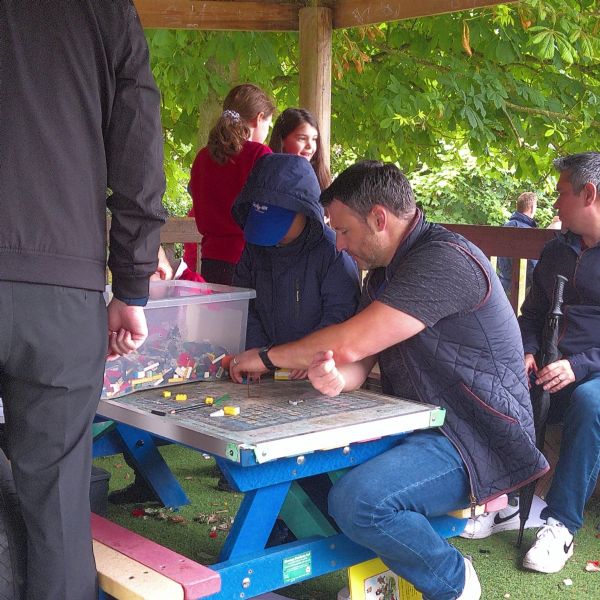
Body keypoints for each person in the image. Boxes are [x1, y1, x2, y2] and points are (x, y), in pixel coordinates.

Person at [230, 161, 548, 600]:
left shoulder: (444, 260)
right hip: (422, 426)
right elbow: (358, 361)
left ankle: (455, 582)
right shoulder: (383, 273)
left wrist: (265, 357)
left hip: (477, 439)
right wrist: (335, 377)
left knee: (360, 502)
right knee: (309, 460)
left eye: (344, 230)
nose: (339, 244)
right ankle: (382, 575)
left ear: (379, 218)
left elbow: (351, 341)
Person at [0, 3, 166, 599]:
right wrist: (132, 286)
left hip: (63, 280)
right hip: (61, 291)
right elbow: (139, 142)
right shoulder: (103, 7)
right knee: (59, 507)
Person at [465, 152, 600, 574]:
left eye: (562, 193)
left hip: (592, 373)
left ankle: (561, 527)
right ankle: (503, 501)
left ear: (589, 194)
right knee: (498, 385)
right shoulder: (557, 249)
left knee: (591, 403)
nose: (555, 203)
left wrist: (580, 365)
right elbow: (532, 314)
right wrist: (526, 350)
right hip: (550, 364)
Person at [232, 153, 359, 368]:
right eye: (262, 223)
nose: (269, 234)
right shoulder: (254, 247)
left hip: (318, 366)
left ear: (304, 212)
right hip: (263, 364)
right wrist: (258, 351)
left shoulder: (332, 252)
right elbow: (243, 303)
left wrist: (309, 355)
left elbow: (341, 312)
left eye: (276, 223)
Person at [189, 84, 274, 285]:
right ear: (259, 118)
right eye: (268, 125)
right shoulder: (260, 155)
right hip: (249, 260)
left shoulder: (202, 157)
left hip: (211, 259)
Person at [269, 108, 332, 191]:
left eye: (314, 139)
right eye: (302, 138)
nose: (310, 146)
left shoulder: (320, 177)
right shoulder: (267, 176)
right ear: (282, 140)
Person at [497, 192, 538, 294]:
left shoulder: (506, 226)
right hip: (522, 287)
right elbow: (532, 266)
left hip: (503, 284)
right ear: (532, 208)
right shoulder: (527, 231)